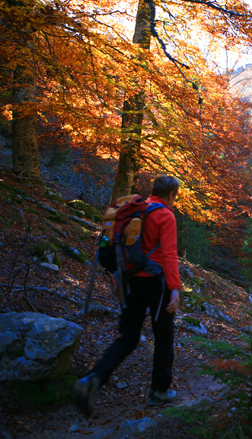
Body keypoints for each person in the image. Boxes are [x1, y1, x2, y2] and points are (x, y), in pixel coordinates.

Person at [75, 175, 182, 417]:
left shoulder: (137, 211)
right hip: (156, 283)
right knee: (163, 335)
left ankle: (93, 378)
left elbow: (124, 248)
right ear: (170, 195)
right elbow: (169, 253)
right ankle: (159, 391)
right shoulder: (165, 215)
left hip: (130, 280)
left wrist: (118, 280)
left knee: (128, 337)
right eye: (175, 196)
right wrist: (175, 288)